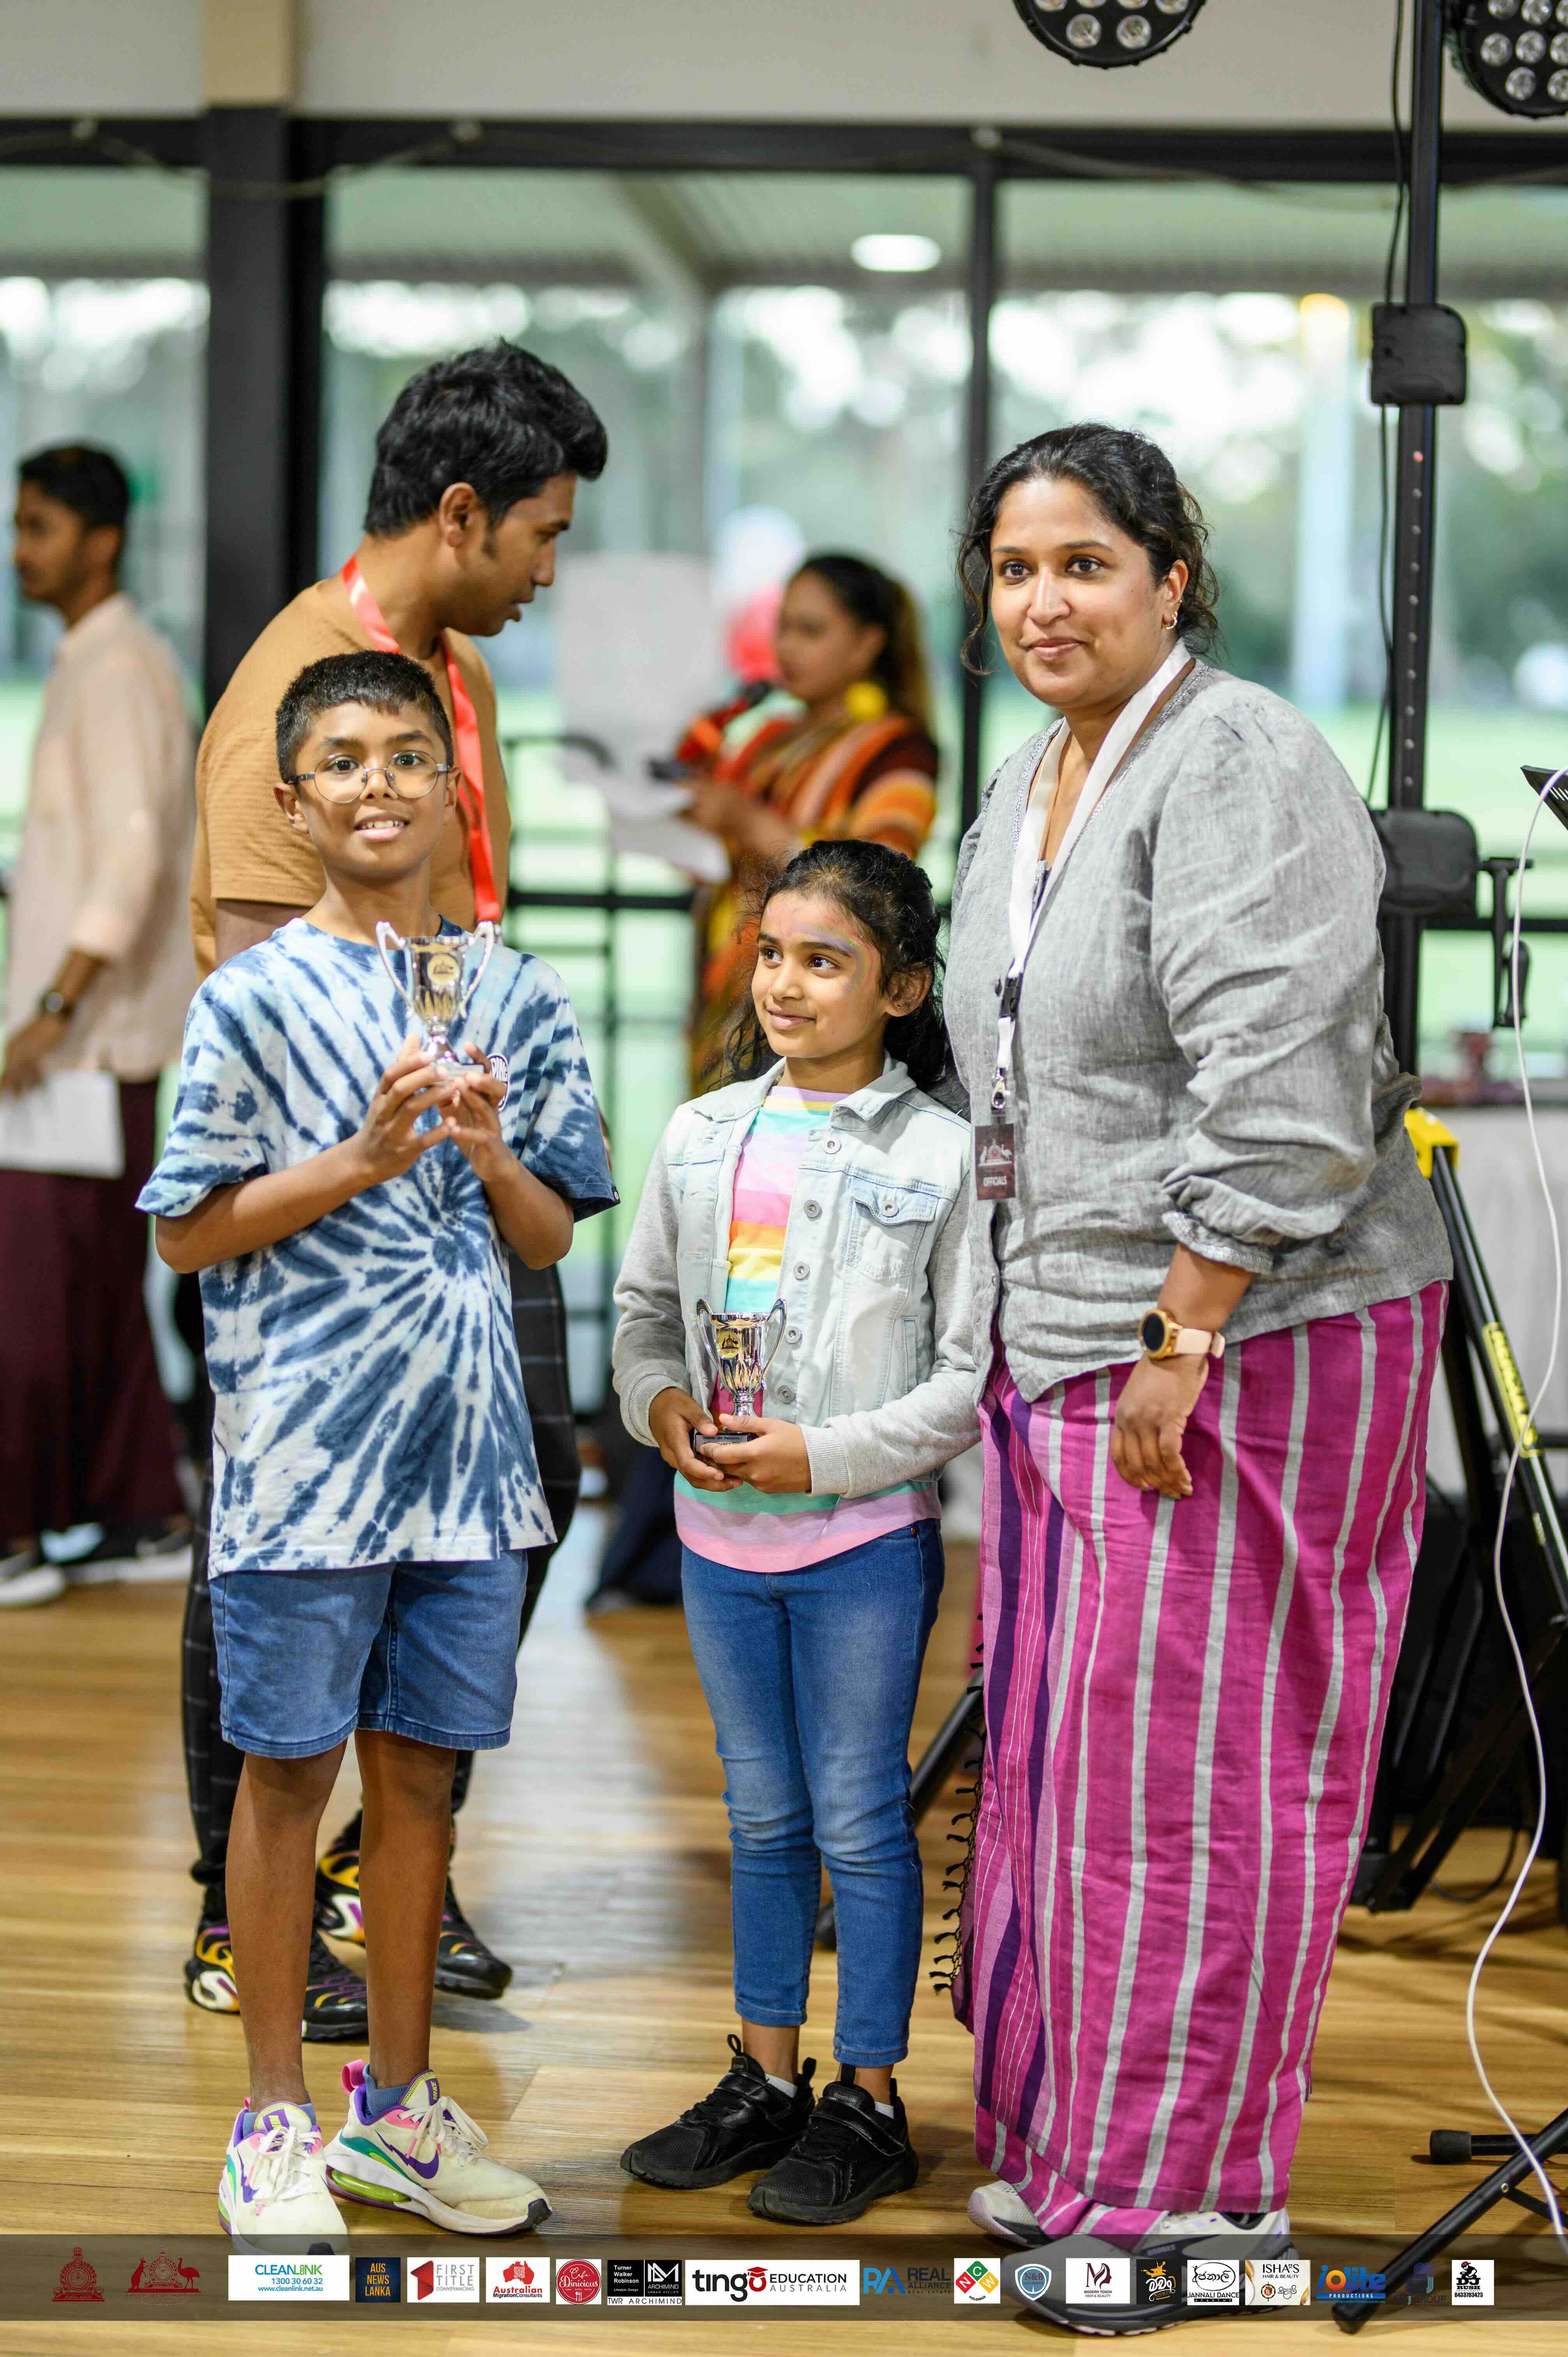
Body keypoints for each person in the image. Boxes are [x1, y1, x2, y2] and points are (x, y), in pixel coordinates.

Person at [940, 424, 1451, 2330]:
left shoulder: (1233, 758)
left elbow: (1286, 1090)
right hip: (1070, 1335)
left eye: (1084, 564)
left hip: (1239, 1340)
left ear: (1173, 579)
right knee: (1067, 1774)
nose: (1042, 602)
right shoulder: (1037, 774)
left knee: (1195, 1783)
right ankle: (1081, 2146)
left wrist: (1182, 1329)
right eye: (1013, 569)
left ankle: (1181, 2203)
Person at [141, 650, 615, 2244]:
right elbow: (190, 1236)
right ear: (294, 802)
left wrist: (484, 1153)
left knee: (421, 1785)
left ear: (451, 789)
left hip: (466, 1468)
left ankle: (398, 2113)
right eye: (342, 758)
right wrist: (359, 1157)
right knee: (288, 1778)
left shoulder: (516, 992)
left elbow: (548, 1236)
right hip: (303, 1465)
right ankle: (274, 2116)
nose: (378, 783)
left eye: (409, 754)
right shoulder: (248, 998)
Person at [180, 342, 607, 2032]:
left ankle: (379, 1858)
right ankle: (241, 1905)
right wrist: (367, 1164)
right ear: (462, 514)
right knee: (272, 1551)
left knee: (521, 1495)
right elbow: (261, 999)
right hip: (330, 1216)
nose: (551, 568)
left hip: (454, 1163)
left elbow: (453, 930)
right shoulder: (297, 688)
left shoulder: (453, 673)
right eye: (544, 533)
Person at [612, 840, 977, 2226]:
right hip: (719, 1541)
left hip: (863, 1542)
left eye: (826, 961)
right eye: (773, 953)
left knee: (862, 1821)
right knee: (761, 1817)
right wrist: (660, 1408)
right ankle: (766, 2076)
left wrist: (818, 1455)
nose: (786, 982)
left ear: (904, 987)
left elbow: (966, 1381)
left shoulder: (945, 1154)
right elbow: (644, 1317)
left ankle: (868, 2099)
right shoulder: (701, 1133)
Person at [0, 443, 194, 1606]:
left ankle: (17, 1531)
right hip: (84, 1042)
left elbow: (132, 856)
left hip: (84, 1040)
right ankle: (133, 1512)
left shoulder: (120, 667)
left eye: (39, 526)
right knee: (89, 1289)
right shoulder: (98, 658)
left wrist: (53, 1005)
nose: (19, 549)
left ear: (102, 539)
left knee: (29, 1295)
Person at [682, 553, 939, 1093]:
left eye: (811, 631)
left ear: (868, 644)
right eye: (783, 628)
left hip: (827, 1008)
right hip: (737, 982)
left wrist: (747, 822)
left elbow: (879, 884)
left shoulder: (898, 750)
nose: (787, 647)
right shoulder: (769, 738)